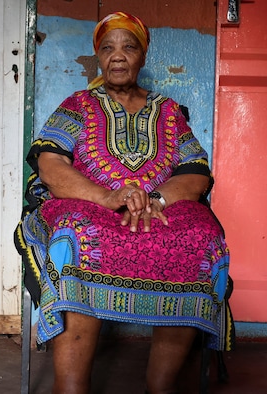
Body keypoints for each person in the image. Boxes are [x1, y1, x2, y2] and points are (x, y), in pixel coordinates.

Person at [15, 12, 230, 393]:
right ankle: (71, 387)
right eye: (108, 48)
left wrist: (157, 199)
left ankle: (159, 386)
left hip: (156, 209)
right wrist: (107, 196)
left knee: (199, 235)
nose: (118, 56)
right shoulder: (77, 105)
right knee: (74, 237)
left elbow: (196, 173)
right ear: (98, 56)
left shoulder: (168, 111)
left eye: (128, 47)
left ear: (142, 57)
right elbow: (49, 164)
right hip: (90, 206)